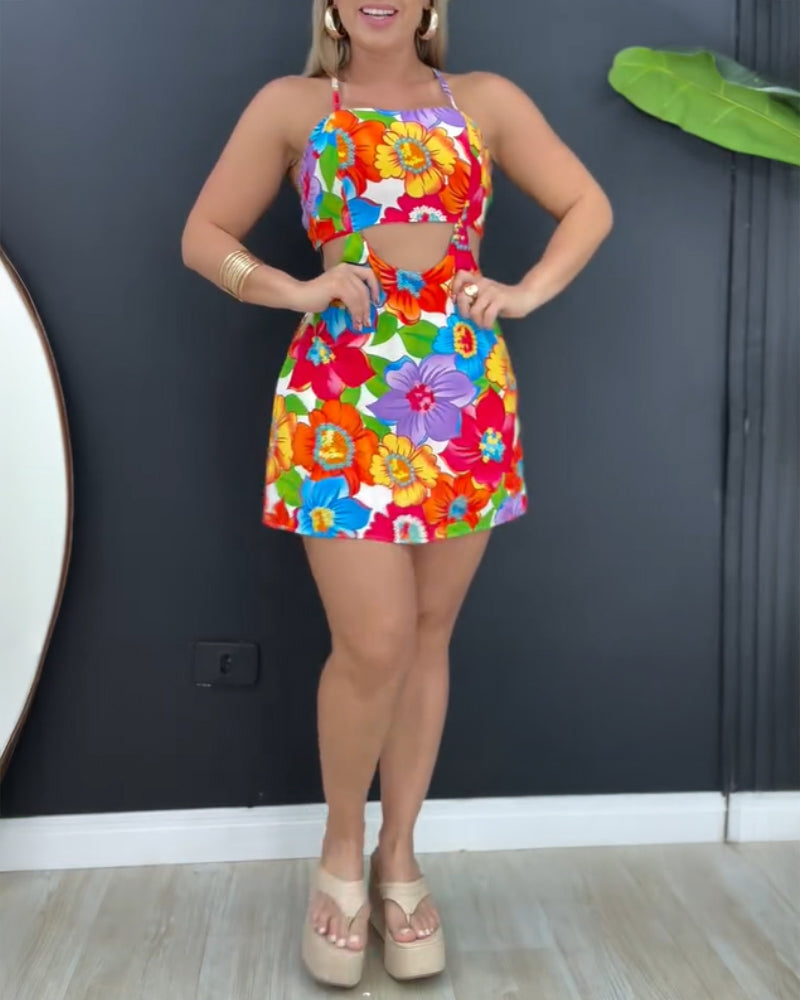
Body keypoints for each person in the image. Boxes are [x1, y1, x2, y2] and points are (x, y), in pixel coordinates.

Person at [181, 0, 612, 988]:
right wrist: (292, 290)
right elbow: (202, 235)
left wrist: (524, 292)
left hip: (460, 397)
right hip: (338, 399)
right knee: (372, 640)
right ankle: (339, 853)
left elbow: (588, 204)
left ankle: (398, 858)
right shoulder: (292, 105)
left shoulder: (486, 101)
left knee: (424, 635)